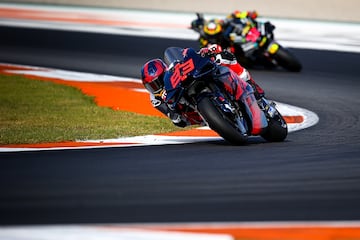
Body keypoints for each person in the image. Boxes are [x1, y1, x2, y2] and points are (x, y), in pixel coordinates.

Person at [140, 44, 265, 128]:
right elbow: (175, 120)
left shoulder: (174, 69)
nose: (156, 87)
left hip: (192, 81)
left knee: (223, 59)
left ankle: (251, 86)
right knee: (183, 119)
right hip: (192, 110)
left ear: (166, 71)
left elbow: (188, 55)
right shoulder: (155, 99)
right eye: (151, 86)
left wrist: (207, 52)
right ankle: (218, 117)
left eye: (158, 81)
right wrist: (174, 115)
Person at [191, 10, 261, 55]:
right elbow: (205, 49)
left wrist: (235, 15)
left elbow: (227, 19)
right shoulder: (203, 38)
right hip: (223, 49)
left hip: (228, 39)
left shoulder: (215, 24)